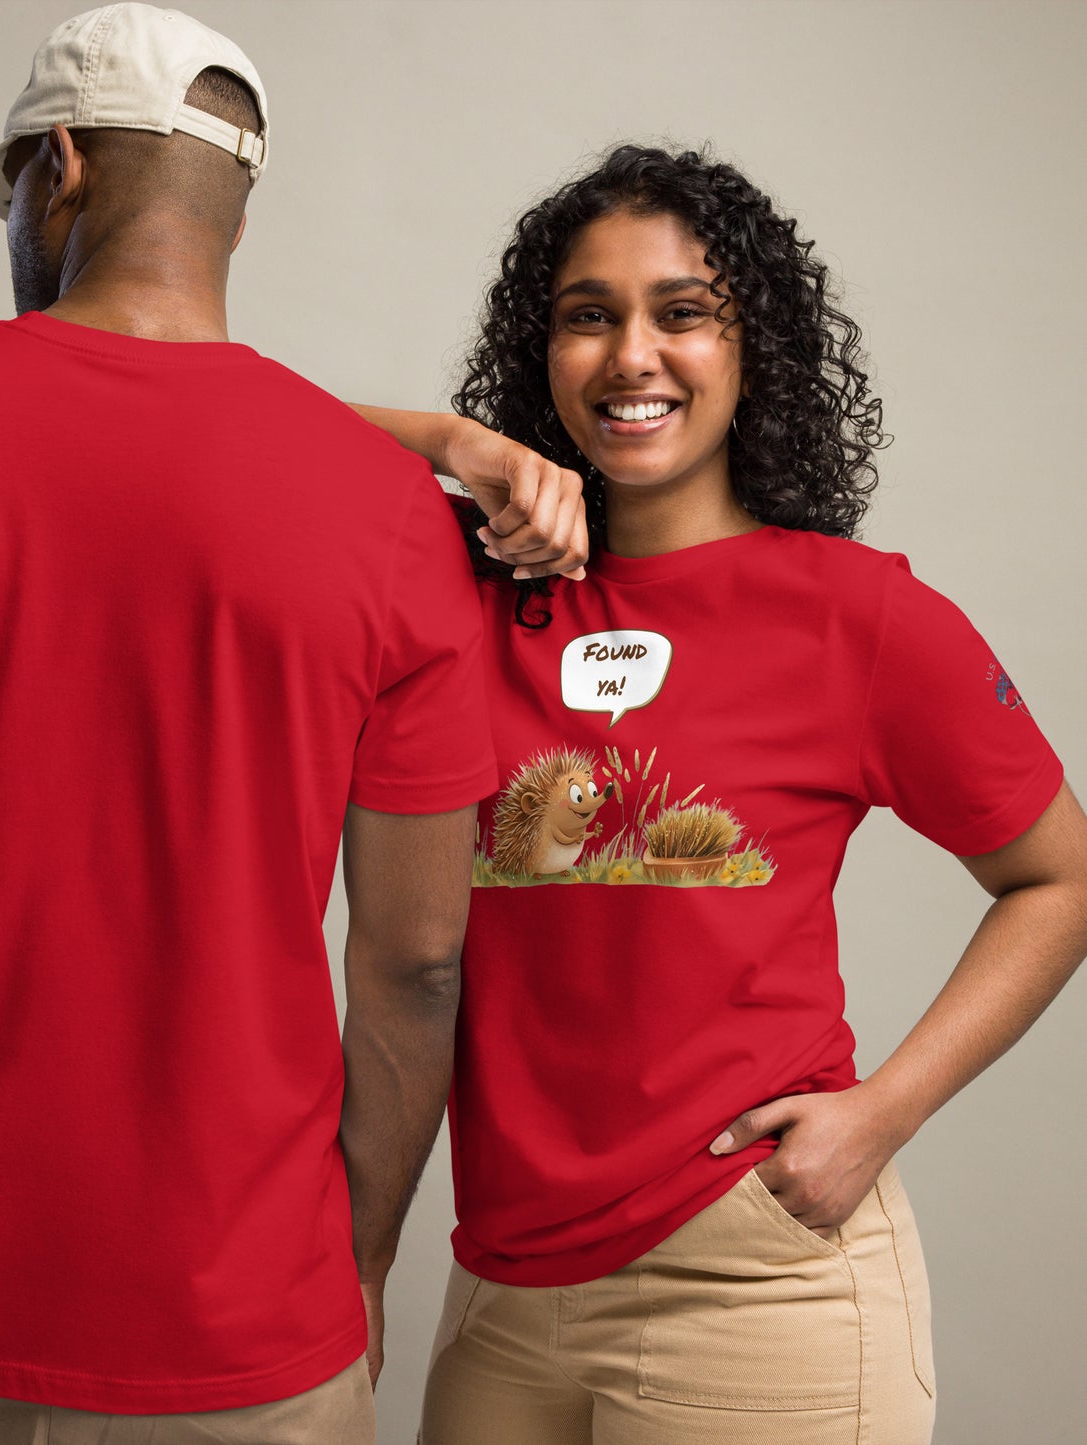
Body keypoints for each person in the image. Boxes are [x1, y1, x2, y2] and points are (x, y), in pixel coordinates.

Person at [0, 6, 497, 1443]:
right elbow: (415, 962)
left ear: (53, 170)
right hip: (249, 1336)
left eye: (6, 190)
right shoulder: (384, 517)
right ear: (237, 211)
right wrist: (352, 1264)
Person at [354, 143, 1087, 1444]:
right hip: (501, 1285)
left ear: (755, 349)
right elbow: (227, 433)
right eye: (589, 316)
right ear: (542, 349)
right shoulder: (461, 602)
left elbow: (1058, 877)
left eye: (681, 312)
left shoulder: (856, 618)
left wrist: (886, 1108)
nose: (632, 354)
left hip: (754, 1276)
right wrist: (453, 443)